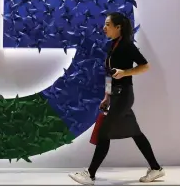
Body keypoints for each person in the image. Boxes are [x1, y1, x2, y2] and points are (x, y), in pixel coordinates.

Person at [68, 12, 164, 185]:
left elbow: (145, 66)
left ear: (118, 27)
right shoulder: (112, 45)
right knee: (136, 133)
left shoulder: (127, 45)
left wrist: (126, 72)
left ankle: (89, 174)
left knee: (104, 133)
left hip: (125, 95)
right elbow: (109, 74)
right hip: (117, 95)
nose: (104, 28)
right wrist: (107, 96)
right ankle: (156, 168)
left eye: (107, 24)